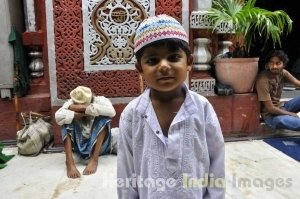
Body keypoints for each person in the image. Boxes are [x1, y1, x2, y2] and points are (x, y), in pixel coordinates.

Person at [117, 14, 225, 198]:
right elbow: (126, 172)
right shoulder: (132, 114)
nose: (164, 66)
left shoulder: (202, 109)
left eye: (174, 57)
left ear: (189, 62)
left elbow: (217, 161)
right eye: (152, 61)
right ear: (140, 69)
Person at [55, 86, 116, 178]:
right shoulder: (70, 103)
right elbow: (58, 117)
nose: (79, 106)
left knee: (103, 118)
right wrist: (77, 114)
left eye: (83, 104)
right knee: (65, 121)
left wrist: (86, 108)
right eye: (77, 104)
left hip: (100, 147)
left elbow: (112, 112)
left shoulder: (100, 101)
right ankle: (69, 162)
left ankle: (94, 159)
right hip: (80, 146)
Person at [256, 49, 300, 130]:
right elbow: (270, 109)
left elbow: (297, 83)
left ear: (283, 64)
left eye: (278, 63)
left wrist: (288, 113)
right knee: (294, 122)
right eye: (271, 63)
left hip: (282, 107)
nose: (274, 66)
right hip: (271, 117)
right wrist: (290, 114)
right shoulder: (262, 81)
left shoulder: (283, 73)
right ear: (267, 64)